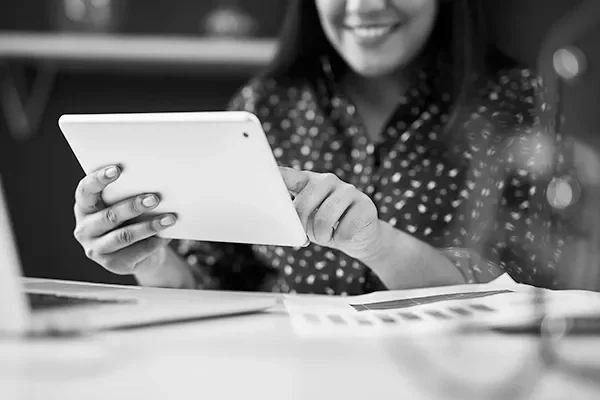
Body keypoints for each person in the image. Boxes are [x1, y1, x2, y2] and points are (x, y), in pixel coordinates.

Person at [71, 0, 566, 295]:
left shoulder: (520, 103)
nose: (364, 6)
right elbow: (212, 287)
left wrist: (375, 243)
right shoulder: (264, 105)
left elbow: (526, 289)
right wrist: (149, 259)